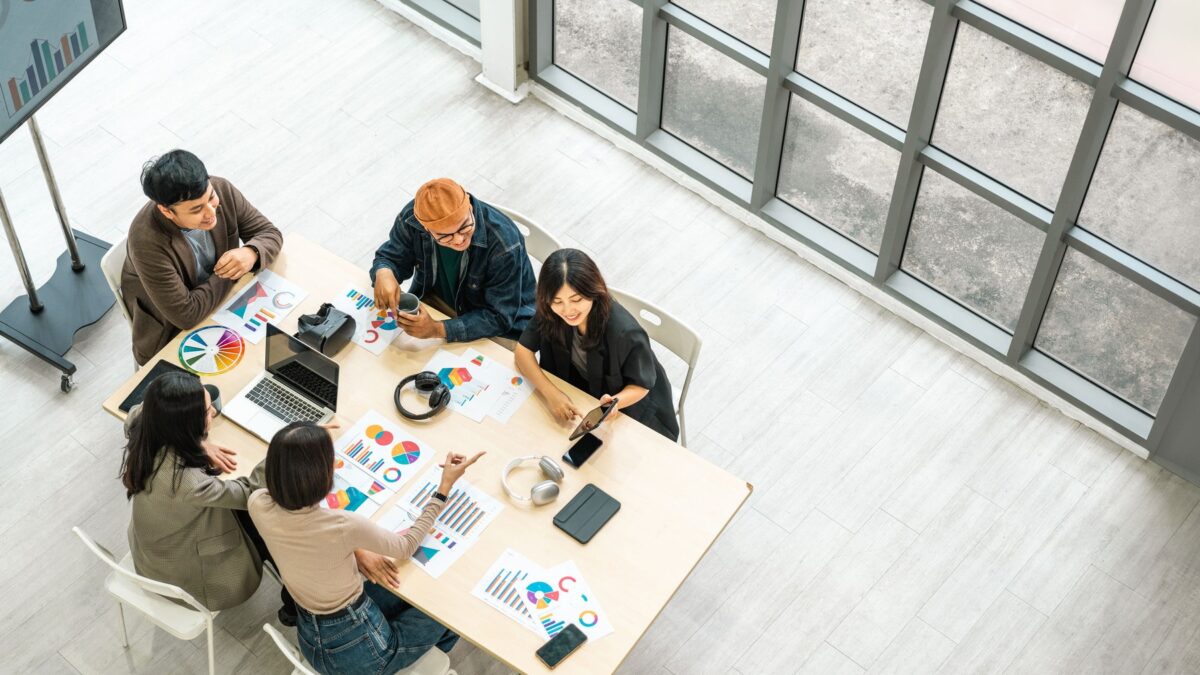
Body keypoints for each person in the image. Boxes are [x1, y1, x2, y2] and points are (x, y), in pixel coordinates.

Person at [249, 422, 482, 674]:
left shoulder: (257, 503)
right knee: (447, 613)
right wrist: (443, 488)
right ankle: (424, 661)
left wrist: (299, 442)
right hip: (363, 656)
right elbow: (405, 546)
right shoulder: (342, 526)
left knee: (414, 592)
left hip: (310, 636)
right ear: (323, 475)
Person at [119, 372, 296, 623]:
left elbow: (138, 411)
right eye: (205, 411)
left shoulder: (143, 427)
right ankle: (297, 605)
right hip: (189, 580)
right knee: (275, 524)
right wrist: (287, 445)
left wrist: (197, 445)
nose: (213, 411)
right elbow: (249, 491)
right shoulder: (188, 483)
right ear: (184, 425)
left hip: (153, 555)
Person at [121, 150, 283, 365]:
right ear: (167, 211)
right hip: (172, 333)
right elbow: (186, 315)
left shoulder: (221, 189)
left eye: (211, 198)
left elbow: (270, 234)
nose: (210, 212)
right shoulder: (146, 241)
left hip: (223, 301)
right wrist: (233, 271)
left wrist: (250, 252)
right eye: (197, 209)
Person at [515, 249, 680, 441]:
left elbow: (641, 386)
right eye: (557, 301)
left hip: (633, 410)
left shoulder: (625, 332)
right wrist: (551, 393)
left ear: (593, 290)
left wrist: (614, 403)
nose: (568, 311)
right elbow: (522, 351)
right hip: (581, 394)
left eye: (576, 300)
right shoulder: (551, 311)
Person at [370, 177, 535, 343]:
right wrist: (384, 272)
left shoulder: (504, 244)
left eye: (465, 226)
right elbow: (391, 256)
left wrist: (437, 329)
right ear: (425, 228)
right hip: (437, 303)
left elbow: (499, 317)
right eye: (444, 236)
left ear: (470, 207)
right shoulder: (411, 218)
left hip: (499, 325)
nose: (458, 240)